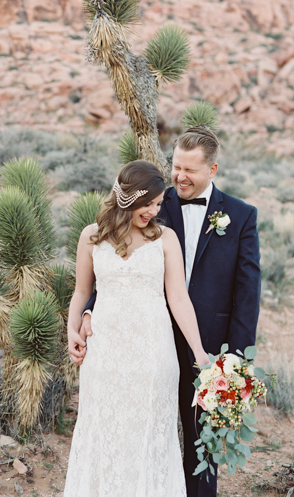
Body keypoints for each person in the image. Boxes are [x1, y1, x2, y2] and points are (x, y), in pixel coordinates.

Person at [70, 126, 261, 497]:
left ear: (213, 169)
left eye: (190, 170)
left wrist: (233, 363)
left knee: (199, 442)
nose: (180, 177)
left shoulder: (240, 216)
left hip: (204, 342)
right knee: (118, 431)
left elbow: (246, 295)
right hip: (131, 343)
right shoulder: (157, 202)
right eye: (176, 166)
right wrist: (87, 316)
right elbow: (106, 277)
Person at [63, 160, 210, 497]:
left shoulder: (166, 239)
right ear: (128, 198)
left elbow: (178, 298)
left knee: (148, 435)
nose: (154, 211)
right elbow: (82, 292)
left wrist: (199, 351)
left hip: (152, 355)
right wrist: (72, 329)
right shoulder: (91, 236)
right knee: (105, 434)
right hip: (105, 355)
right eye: (149, 204)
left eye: (159, 204)